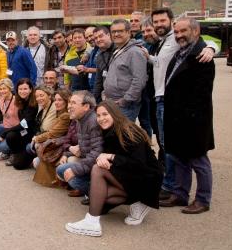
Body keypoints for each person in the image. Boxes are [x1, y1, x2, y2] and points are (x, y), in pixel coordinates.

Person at [65, 100, 162, 237]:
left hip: (147, 178)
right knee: (98, 198)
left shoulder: (129, 131)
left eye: (105, 114)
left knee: (98, 171)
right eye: (98, 115)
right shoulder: (107, 131)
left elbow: (139, 164)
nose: (101, 118)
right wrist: (102, 157)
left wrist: (111, 157)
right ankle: (138, 202)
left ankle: (91, 222)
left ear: (115, 114)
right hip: (128, 174)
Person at [148, 8, 216, 200]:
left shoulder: (201, 55)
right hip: (173, 111)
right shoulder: (179, 51)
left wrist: (211, 47)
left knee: (198, 159)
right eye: (177, 32)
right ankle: (179, 193)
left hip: (193, 119)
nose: (179, 35)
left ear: (195, 31)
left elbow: (201, 95)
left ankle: (203, 199)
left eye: (183, 31)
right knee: (177, 155)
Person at [55, 90, 103, 198]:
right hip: (89, 162)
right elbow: (83, 147)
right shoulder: (80, 120)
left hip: (99, 166)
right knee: (62, 169)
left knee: (72, 178)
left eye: (73, 103)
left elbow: (97, 152)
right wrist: (66, 154)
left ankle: (100, 196)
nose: (69, 106)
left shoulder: (93, 121)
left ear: (86, 106)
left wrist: (74, 170)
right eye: (69, 102)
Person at [102, 19, 147, 121]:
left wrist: (125, 100)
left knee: (123, 136)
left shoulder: (134, 52)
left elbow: (139, 81)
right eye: (113, 32)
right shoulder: (118, 50)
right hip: (113, 103)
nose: (116, 34)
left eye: (120, 31)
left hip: (125, 106)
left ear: (128, 32)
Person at [4, 79, 38, 167]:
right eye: (20, 89)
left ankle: (30, 155)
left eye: (25, 89)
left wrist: (5, 132)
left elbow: (24, 123)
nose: (22, 91)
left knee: (18, 165)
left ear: (30, 89)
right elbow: (23, 125)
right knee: (11, 136)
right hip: (25, 132)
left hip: (32, 135)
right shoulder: (21, 101)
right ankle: (16, 154)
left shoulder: (33, 104)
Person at [138, 20, 161, 143]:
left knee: (162, 131)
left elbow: (200, 43)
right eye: (143, 32)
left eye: (149, 30)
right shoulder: (147, 44)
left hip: (162, 96)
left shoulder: (166, 43)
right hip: (150, 93)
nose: (146, 34)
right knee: (154, 126)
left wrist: (211, 48)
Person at [0, 78, 19, 161]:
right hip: (5, 126)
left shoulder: (16, 100)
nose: (2, 91)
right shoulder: (1, 99)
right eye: (0, 89)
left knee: (3, 147)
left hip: (15, 129)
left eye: (4, 89)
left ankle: (5, 150)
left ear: (10, 88)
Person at [91, 26, 114, 103]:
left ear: (108, 35)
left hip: (124, 98)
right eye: (96, 38)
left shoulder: (119, 50)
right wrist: (95, 100)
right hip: (107, 98)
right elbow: (98, 81)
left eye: (101, 36)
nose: (98, 40)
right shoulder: (99, 57)